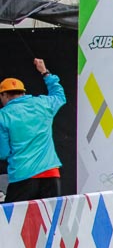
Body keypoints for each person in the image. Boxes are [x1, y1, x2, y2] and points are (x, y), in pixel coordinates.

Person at [0, 59, 66, 202]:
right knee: (50, 222)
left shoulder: (3, 116)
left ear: (3, 95)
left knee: (14, 222)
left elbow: (3, 152)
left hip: (22, 176)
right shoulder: (43, 104)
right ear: (23, 93)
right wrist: (45, 72)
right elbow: (60, 96)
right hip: (51, 174)